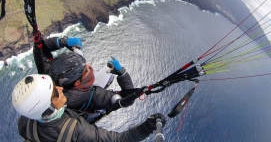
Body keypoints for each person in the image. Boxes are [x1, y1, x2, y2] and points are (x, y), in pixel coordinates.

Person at [12, 74, 166, 142]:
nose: (60, 88)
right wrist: (147, 127)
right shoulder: (77, 131)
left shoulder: (26, 122)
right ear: (47, 108)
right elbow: (119, 139)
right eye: (54, 93)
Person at [33, 36, 136, 119]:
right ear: (77, 82)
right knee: (109, 75)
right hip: (87, 105)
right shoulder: (97, 97)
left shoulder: (50, 78)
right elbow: (128, 99)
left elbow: (40, 49)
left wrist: (62, 41)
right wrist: (122, 73)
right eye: (86, 70)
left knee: (107, 72)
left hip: (76, 95)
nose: (89, 66)